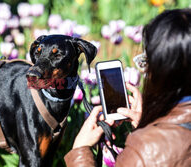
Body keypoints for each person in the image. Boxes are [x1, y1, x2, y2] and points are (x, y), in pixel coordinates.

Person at [64, 9, 191, 167]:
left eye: (146, 61)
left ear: (163, 71)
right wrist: (149, 124)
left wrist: (80, 150)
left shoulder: (145, 152)